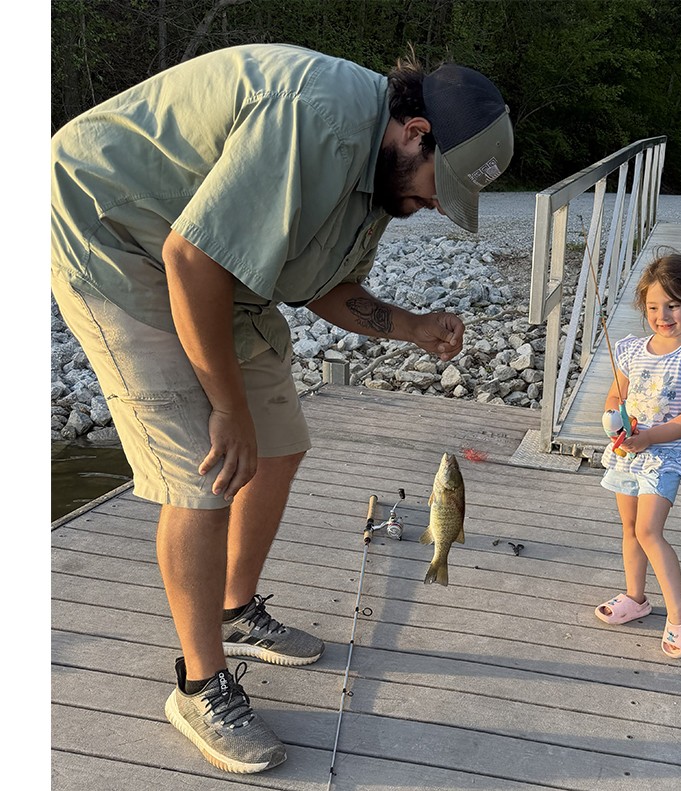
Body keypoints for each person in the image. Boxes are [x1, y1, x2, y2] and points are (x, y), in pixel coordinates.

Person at [50, 43, 513, 773]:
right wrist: (226, 408)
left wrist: (415, 325)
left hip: (206, 257)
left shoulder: (382, 174)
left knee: (280, 440)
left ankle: (234, 612)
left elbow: (324, 287)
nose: (430, 206)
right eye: (436, 186)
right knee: (203, 468)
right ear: (416, 130)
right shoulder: (316, 118)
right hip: (113, 233)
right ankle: (199, 683)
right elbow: (189, 259)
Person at [594, 250, 681, 660]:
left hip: (664, 458)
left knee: (648, 531)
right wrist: (614, 420)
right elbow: (616, 395)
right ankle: (635, 597)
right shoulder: (630, 349)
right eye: (653, 307)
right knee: (629, 527)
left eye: (674, 305)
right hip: (628, 453)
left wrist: (651, 437)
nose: (663, 315)